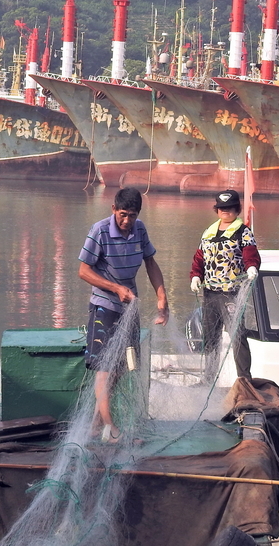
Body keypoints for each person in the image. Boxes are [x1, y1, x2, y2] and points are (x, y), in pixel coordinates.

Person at [78, 187, 169, 442]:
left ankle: (96, 425)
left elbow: (151, 262)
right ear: (113, 210)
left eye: (132, 215)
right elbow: (83, 271)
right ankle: (112, 429)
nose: (127, 221)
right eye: (122, 214)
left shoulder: (139, 229)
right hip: (104, 307)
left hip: (129, 308)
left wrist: (162, 297)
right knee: (104, 369)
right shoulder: (100, 231)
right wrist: (116, 287)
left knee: (120, 368)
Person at [189, 189, 260, 381]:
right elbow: (199, 259)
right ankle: (208, 378)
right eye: (221, 208)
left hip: (231, 293)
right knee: (210, 338)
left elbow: (250, 255)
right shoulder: (209, 232)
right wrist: (195, 276)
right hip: (210, 293)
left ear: (236, 209)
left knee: (237, 336)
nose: (225, 211)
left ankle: (244, 379)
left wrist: (252, 267)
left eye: (229, 208)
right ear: (217, 210)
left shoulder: (243, 232)